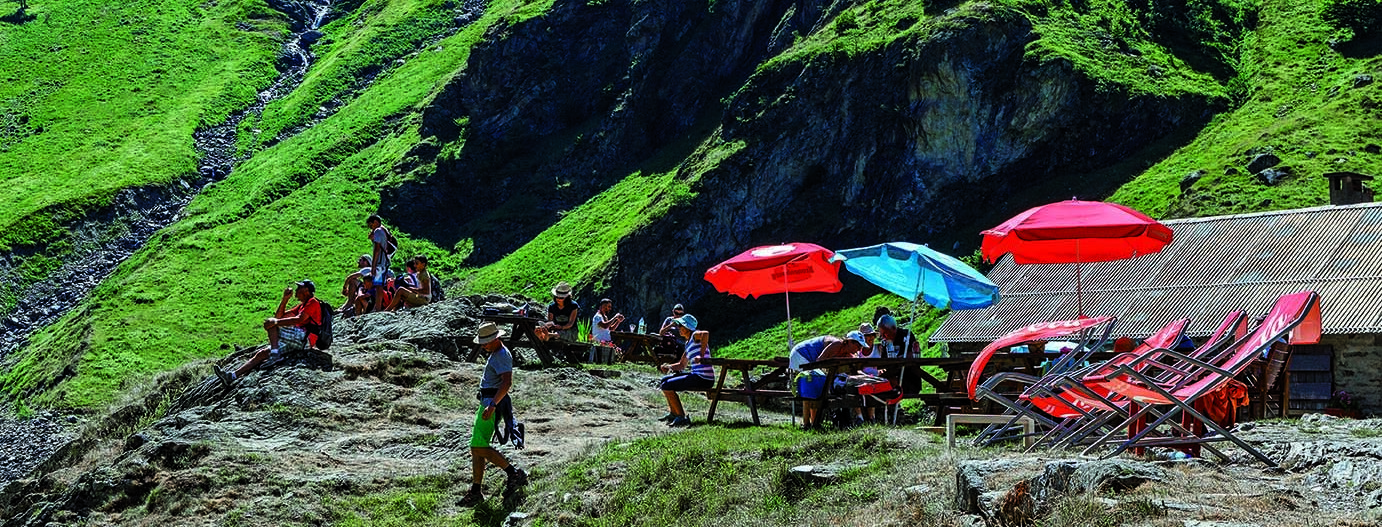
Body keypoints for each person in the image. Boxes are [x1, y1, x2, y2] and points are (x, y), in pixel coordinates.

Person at [458, 322, 528, 506]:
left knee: (478, 446)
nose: (483, 345)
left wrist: (492, 405)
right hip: (487, 402)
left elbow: (506, 383)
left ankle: (513, 473)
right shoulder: (497, 354)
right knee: (477, 447)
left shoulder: (502, 355)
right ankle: (476, 490)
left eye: (486, 342)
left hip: (491, 404)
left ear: (496, 339)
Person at [214, 280, 323, 386]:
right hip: (298, 339)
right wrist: (285, 299)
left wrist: (275, 322)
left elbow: (299, 319)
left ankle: (275, 354)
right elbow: (279, 316)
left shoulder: (312, 302)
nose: (296, 290)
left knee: (270, 323)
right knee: (262, 353)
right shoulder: (301, 306)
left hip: (305, 339)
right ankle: (232, 376)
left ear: (306, 290)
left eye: (299, 287)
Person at [789, 333, 868, 428]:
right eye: (858, 346)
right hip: (801, 355)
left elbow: (853, 371)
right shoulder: (837, 344)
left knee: (818, 386)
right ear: (849, 342)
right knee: (812, 386)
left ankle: (814, 423)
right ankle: (808, 423)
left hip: (811, 361)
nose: (859, 349)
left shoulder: (847, 354)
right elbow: (819, 361)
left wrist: (868, 378)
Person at [656, 315, 712, 427]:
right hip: (697, 376)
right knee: (664, 381)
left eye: (680, 326)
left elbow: (705, 333)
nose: (678, 328)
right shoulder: (688, 344)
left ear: (687, 327)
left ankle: (681, 417)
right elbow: (681, 365)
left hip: (703, 378)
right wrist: (669, 367)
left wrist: (701, 356)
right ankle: (674, 413)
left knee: (667, 385)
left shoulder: (695, 336)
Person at [366, 215, 395, 311]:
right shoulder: (384, 230)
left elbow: (377, 248)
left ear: (375, 222)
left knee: (378, 285)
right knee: (379, 285)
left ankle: (377, 307)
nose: (371, 228)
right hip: (385, 261)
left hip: (380, 262)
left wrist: (373, 265)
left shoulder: (378, 231)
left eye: (371, 225)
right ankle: (378, 306)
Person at [590, 299, 624, 363]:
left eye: (609, 307)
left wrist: (618, 321)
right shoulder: (597, 316)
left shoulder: (605, 317)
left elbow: (610, 328)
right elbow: (605, 325)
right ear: (601, 306)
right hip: (600, 342)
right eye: (606, 306)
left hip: (606, 342)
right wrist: (614, 317)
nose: (608, 308)